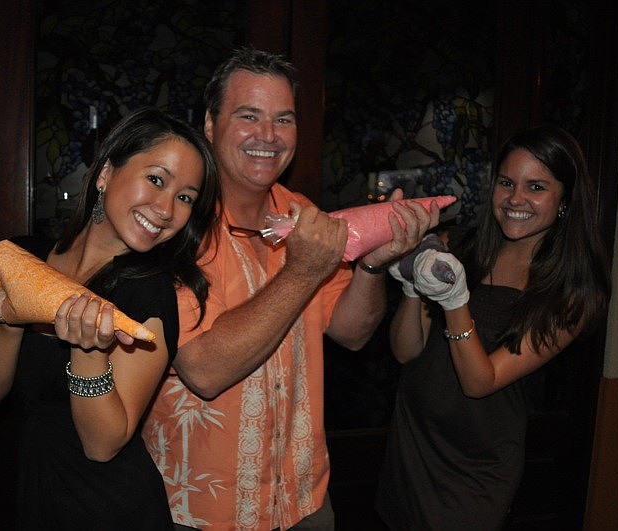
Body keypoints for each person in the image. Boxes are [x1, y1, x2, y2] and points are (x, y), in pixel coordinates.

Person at [142, 46, 439, 530]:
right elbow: (205, 370)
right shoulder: (175, 222)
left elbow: (351, 331)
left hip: (305, 502)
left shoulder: (303, 214)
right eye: (249, 116)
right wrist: (301, 271)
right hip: (204, 511)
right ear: (211, 125)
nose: (268, 135)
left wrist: (373, 266)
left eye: (284, 119)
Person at [0, 106, 221, 529]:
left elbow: (103, 444)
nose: (167, 209)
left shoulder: (148, 294)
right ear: (106, 173)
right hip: (18, 492)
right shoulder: (22, 259)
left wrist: (89, 352)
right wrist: (8, 319)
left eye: (185, 197)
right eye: (156, 180)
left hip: (104, 508)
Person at [375, 125, 611, 530]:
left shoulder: (570, 295)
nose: (515, 199)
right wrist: (413, 286)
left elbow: (479, 381)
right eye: (506, 183)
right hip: (412, 447)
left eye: (536, 187)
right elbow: (405, 351)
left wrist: (454, 300)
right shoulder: (460, 246)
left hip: (474, 471)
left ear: (565, 199)